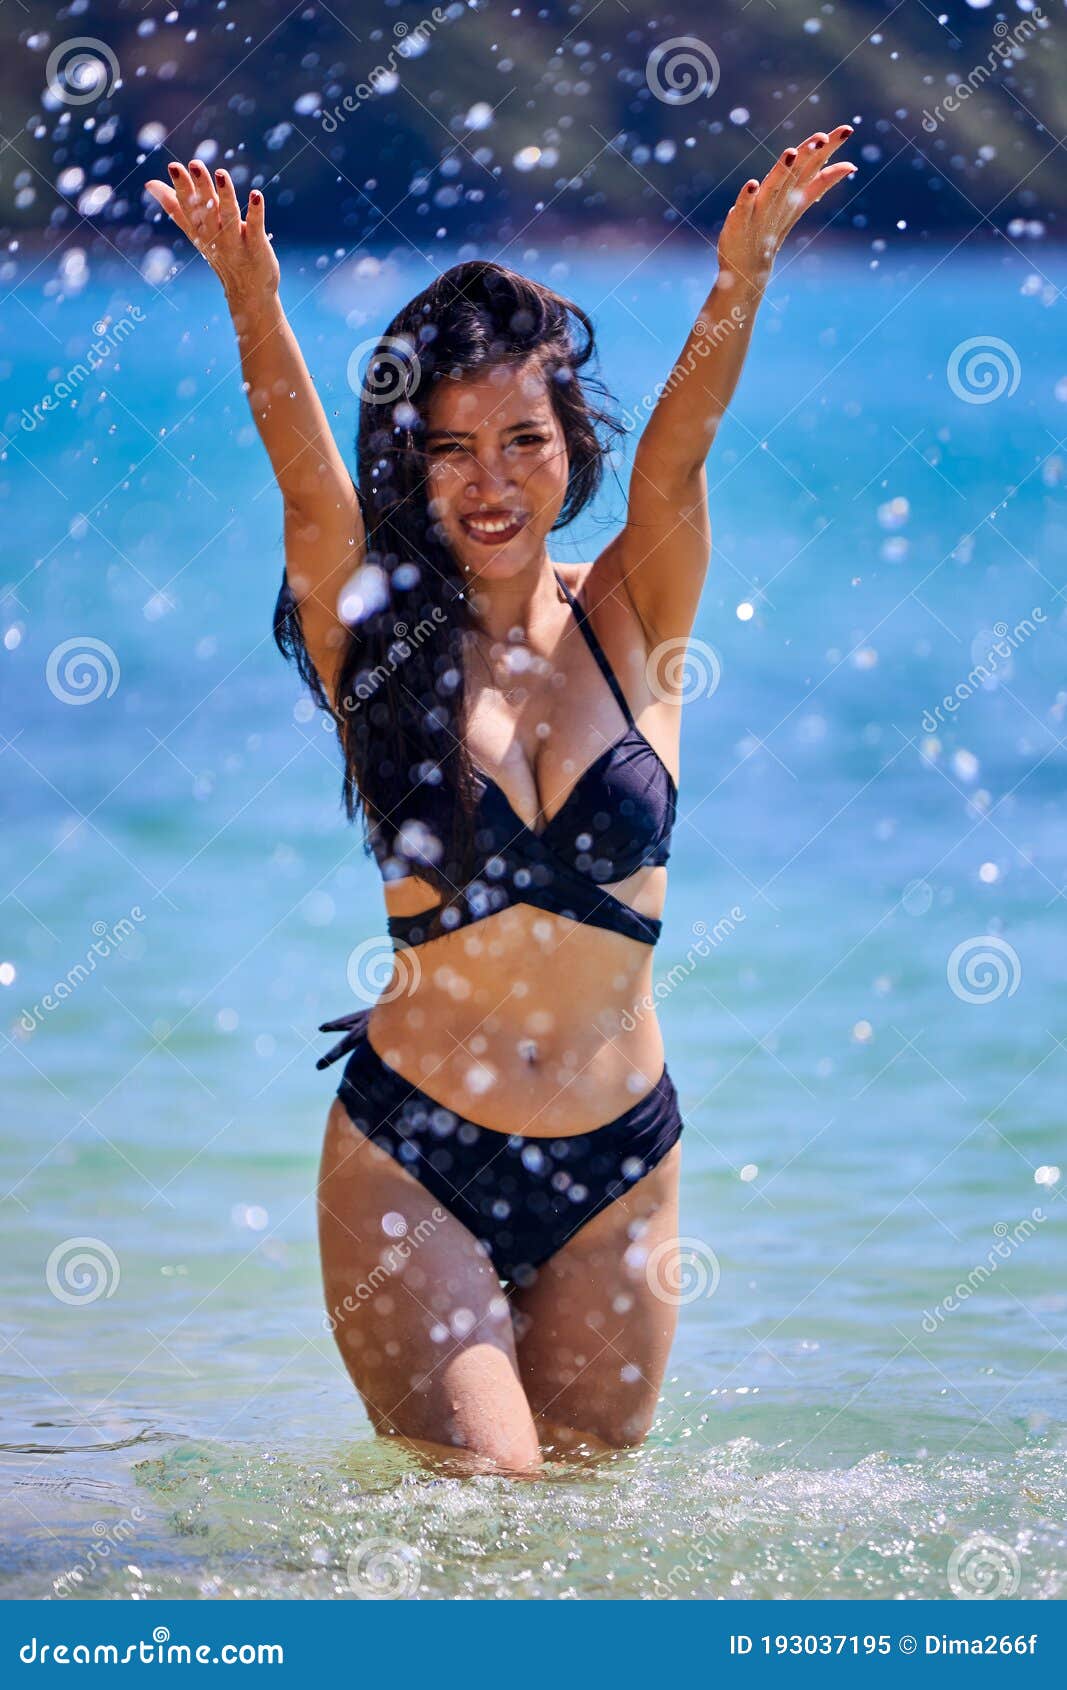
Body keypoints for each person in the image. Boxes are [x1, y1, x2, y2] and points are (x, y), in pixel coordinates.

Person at [146, 128, 855, 1473]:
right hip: (419, 1149)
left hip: (622, 1164)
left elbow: (683, 463)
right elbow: (307, 487)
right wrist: (253, 301)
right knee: (484, 1502)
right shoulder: (383, 642)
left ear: (566, 443)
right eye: (453, 448)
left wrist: (739, 284)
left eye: (521, 439)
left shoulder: (635, 615)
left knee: (581, 1535)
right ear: (411, 465)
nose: (490, 480)